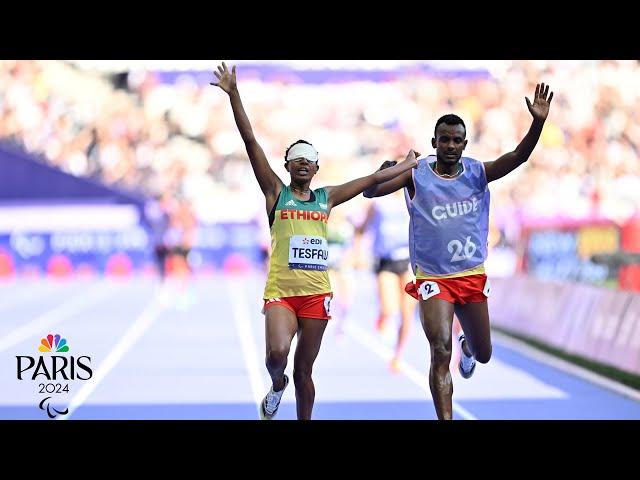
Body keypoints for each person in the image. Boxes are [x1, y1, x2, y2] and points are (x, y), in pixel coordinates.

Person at [211, 62, 421, 420]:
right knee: (276, 356)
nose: (303, 164)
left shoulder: (328, 197)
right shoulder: (276, 193)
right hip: (281, 291)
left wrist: (407, 164)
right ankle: (278, 386)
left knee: (305, 371)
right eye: (296, 160)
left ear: (317, 169)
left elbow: (370, 179)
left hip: (317, 295)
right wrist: (234, 94)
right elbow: (250, 141)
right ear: (288, 166)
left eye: (309, 160)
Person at [364, 83, 554, 420]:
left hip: (470, 276)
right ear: (434, 142)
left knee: (483, 353)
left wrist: (537, 122)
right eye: (444, 139)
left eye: (456, 140)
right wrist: (390, 168)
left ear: (464, 144)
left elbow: (519, 156)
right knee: (439, 350)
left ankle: (468, 348)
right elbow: (372, 192)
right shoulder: (416, 174)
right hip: (433, 278)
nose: (450, 145)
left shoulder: (478, 172)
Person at [354, 183, 415, 372]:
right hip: (386, 262)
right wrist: (358, 253)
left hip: (409, 261)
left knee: (407, 315)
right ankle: (383, 317)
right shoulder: (379, 203)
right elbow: (361, 229)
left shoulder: (413, 198)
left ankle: (398, 355)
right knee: (389, 308)